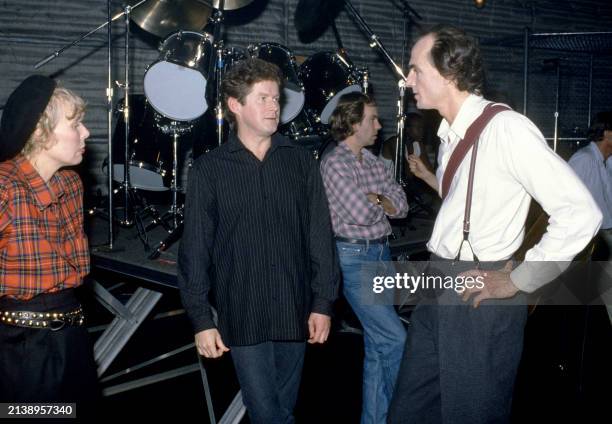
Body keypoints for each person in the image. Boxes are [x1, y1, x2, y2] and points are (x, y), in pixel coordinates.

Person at [387, 25, 602, 424]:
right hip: (440, 282)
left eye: (416, 70)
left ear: (448, 74)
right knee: (410, 412)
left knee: (472, 414)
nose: (408, 80)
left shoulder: (506, 129)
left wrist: (520, 279)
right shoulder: (451, 134)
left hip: (479, 291)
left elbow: (581, 213)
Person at [177, 58, 339, 424]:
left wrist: (323, 302)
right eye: (263, 98)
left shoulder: (301, 162)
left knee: (284, 409)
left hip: (294, 309)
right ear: (235, 105)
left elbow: (320, 236)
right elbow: (195, 252)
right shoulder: (209, 169)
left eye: (276, 98)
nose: (274, 107)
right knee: (268, 414)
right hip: (242, 312)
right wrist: (202, 319)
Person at [0, 75, 98, 406]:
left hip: (73, 339)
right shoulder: (4, 188)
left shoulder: (71, 185)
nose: (86, 133)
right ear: (41, 133)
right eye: (76, 124)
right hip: (20, 349)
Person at [320, 92, 409, 424]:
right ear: (353, 123)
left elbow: (401, 206)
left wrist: (378, 199)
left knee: (377, 348)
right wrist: (380, 202)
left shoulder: (373, 161)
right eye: (372, 118)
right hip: (354, 256)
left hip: (381, 254)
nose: (379, 125)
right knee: (395, 339)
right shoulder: (333, 163)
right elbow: (360, 214)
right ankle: (405, 414)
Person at [568, 111, 612, 323]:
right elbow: (564, 200)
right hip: (595, 238)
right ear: (607, 133)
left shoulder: (606, 161)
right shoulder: (583, 160)